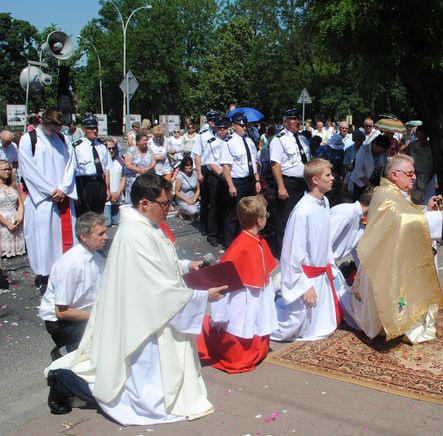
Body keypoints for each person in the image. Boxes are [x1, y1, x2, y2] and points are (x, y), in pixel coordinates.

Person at [45, 174, 226, 423]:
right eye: (165, 203)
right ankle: (63, 382)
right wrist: (202, 297)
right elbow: (156, 288)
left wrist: (186, 265)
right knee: (135, 392)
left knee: (150, 381)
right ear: (144, 204)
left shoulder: (146, 226)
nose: (169, 208)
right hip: (143, 319)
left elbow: (160, 264)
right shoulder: (134, 235)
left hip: (153, 314)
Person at [340, 154, 443, 344]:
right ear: (395, 175)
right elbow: (400, 219)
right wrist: (438, 218)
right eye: (410, 173)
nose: (414, 177)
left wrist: (427, 210)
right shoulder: (384, 194)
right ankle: (395, 324)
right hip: (385, 259)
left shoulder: (394, 193)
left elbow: (407, 213)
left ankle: (407, 323)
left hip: (395, 253)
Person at [197, 195, 278, 373]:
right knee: (242, 322)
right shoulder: (239, 247)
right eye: (266, 215)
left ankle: (256, 347)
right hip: (241, 297)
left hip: (257, 294)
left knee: (255, 319)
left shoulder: (259, 241)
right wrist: (219, 317)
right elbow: (224, 284)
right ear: (260, 221)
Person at [271, 158, 341, 342]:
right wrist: (304, 286)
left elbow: (324, 241)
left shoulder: (324, 202)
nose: (333, 178)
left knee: (324, 326)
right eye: (328, 175)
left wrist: (330, 269)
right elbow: (291, 254)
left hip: (321, 274)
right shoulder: (302, 211)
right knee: (291, 326)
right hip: (307, 278)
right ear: (315, 180)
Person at [18, 109, 77, 294]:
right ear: (42, 123)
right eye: (52, 129)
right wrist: (51, 191)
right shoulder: (29, 140)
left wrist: (64, 189)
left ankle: (66, 273)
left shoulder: (63, 138)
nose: (54, 133)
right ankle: (46, 276)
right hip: (43, 200)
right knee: (44, 240)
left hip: (63, 197)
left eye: (57, 129)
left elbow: (71, 165)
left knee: (65, 238)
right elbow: (28, 170)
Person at [38, 212, 107, 361]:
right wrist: (99, 316)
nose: (106, 237)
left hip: (84, 312)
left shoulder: (97, 257)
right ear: (84, 237)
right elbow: (62, 312)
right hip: (62, 323)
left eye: (105, 232)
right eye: (100, 234)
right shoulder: (70, 264)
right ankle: (65, 351)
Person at [269, 108, 312, 255]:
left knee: (301, 217)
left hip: (303, 182)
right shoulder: (279, 140)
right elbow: (275, 165)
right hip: (288, 183)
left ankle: (297, 249)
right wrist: (281, 187)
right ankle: (282, 251)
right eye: (293, 119)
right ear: (285, 122)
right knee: (285, 218)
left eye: (297, 119)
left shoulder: (303, 139)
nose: (296, 122)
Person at [222, 112, 262, 247]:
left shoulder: (249, 141)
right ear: (233, 125)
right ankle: (230, 243)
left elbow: (255, 162)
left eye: (245, 125)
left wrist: (257, 180)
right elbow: (226, 166)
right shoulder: (229, 142)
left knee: (249, 212)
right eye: (241, 125)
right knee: (234, 214)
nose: (244, 127)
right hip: (237, 181)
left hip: (250, 180)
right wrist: (230, 185)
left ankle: (246, 240)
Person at [72, 116, 111, 216]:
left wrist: (107, 189)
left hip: (100, 183)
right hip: (84, 184)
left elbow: (106, 169)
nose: (94, 131)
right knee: (84, 215)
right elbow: (72, 171)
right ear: (85, 130)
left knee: (98, 215)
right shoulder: (77, 147)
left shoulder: (102, 146)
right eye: (91, 128)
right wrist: (74, 193)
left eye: (96, 128)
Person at [193, 111, 221, 237]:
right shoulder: (202, 135)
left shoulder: (223, 133)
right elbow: (198, 155)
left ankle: (216, 226)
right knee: (206, 199)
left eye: (215, 120)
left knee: (217, 200)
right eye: (211, 120)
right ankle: (204, 225)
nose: (213, 123)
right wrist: (199, 173)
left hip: (219, 168)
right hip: (206, 168)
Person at [329, 187, 373, 265]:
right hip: (317, 267)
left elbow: (359, 253)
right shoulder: (346, 213)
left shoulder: (359, 222)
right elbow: (325, 242)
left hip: (328, 266)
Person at [350, 134, 390, 201]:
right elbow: (359, 170)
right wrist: (370, 186)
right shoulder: (363, 150)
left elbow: (384, 168)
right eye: (379, 150)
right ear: (374, 144)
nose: (381, 153)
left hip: (376, 183)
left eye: (383, 151)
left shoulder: (384, 152)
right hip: (361, 183)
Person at [0, 159, 25, 259]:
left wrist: (20, 217)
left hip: (16, 222)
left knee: (19, 257)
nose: (8, 171)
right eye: (4, 169)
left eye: (9, 169)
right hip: (3, 224)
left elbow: (20, 204)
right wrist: (7, 224)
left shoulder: (13, 185)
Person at [123, 132, 155, 203]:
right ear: (137, 141)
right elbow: (128, 164)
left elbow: (153, 162)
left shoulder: (149, 149)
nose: (146, 142)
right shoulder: (131, 150)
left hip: (146, 179)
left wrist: (146, 169)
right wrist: (139, 170)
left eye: (146, 140)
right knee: (133, 200)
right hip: (133, 179)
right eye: (143, 140)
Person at [106, 138, 125, 226]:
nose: (111, 150)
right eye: (109, 148)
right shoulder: (103, 162)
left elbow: (123, 178)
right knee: (107, 223)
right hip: (107, 197)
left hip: (118, 196)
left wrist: (119, 192)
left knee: (117, 222)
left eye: (113, 148)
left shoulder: (120, 162)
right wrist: (109, 192)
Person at [174, 156, 200, 220]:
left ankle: (187, 213)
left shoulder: (196, 173)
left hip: (194, 199)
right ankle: (181, 211)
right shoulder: (180, 176)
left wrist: (194, 199)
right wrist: (187, 200)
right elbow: (177, 192)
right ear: (183, 166)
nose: (190, 167)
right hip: (184, 200)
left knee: (201, 212)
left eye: (191, 165)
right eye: (187, 165)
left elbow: (198, 190)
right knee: (194, 212)